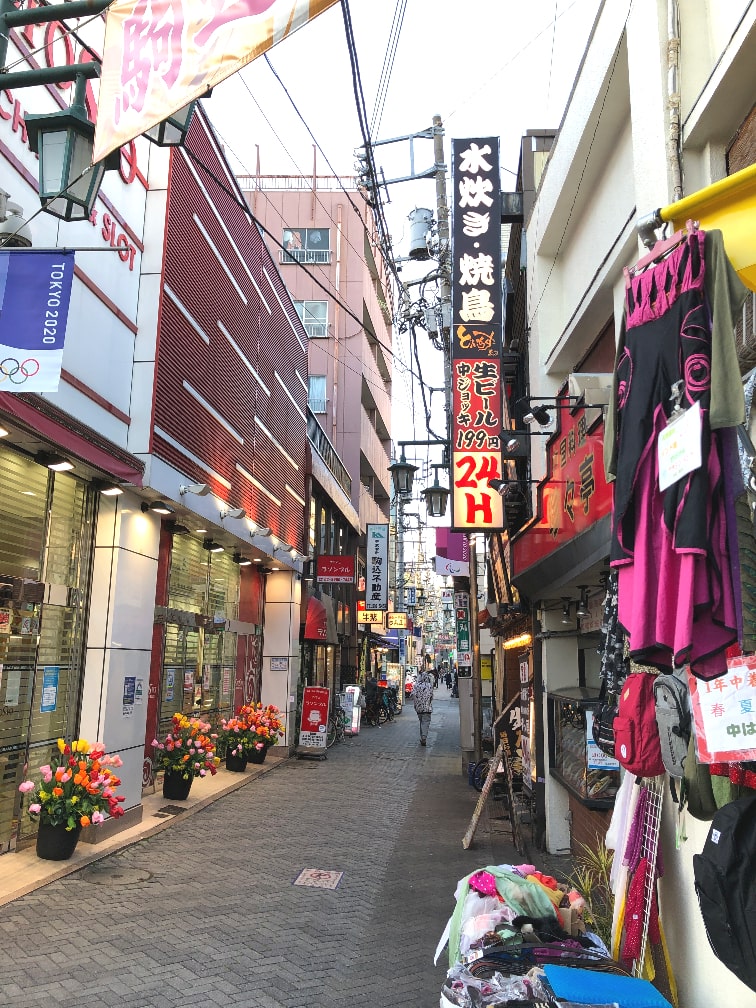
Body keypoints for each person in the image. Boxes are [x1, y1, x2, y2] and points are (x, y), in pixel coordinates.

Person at [413, 669, 434, 746]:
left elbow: (414, 696)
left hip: (419, 708)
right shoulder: (429, 686)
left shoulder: (416, 685)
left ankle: (422, 737)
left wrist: (416, 704)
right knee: (425, 723)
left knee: (421, 722)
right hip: (427, 708)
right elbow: (431, 696)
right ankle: (424, 737)